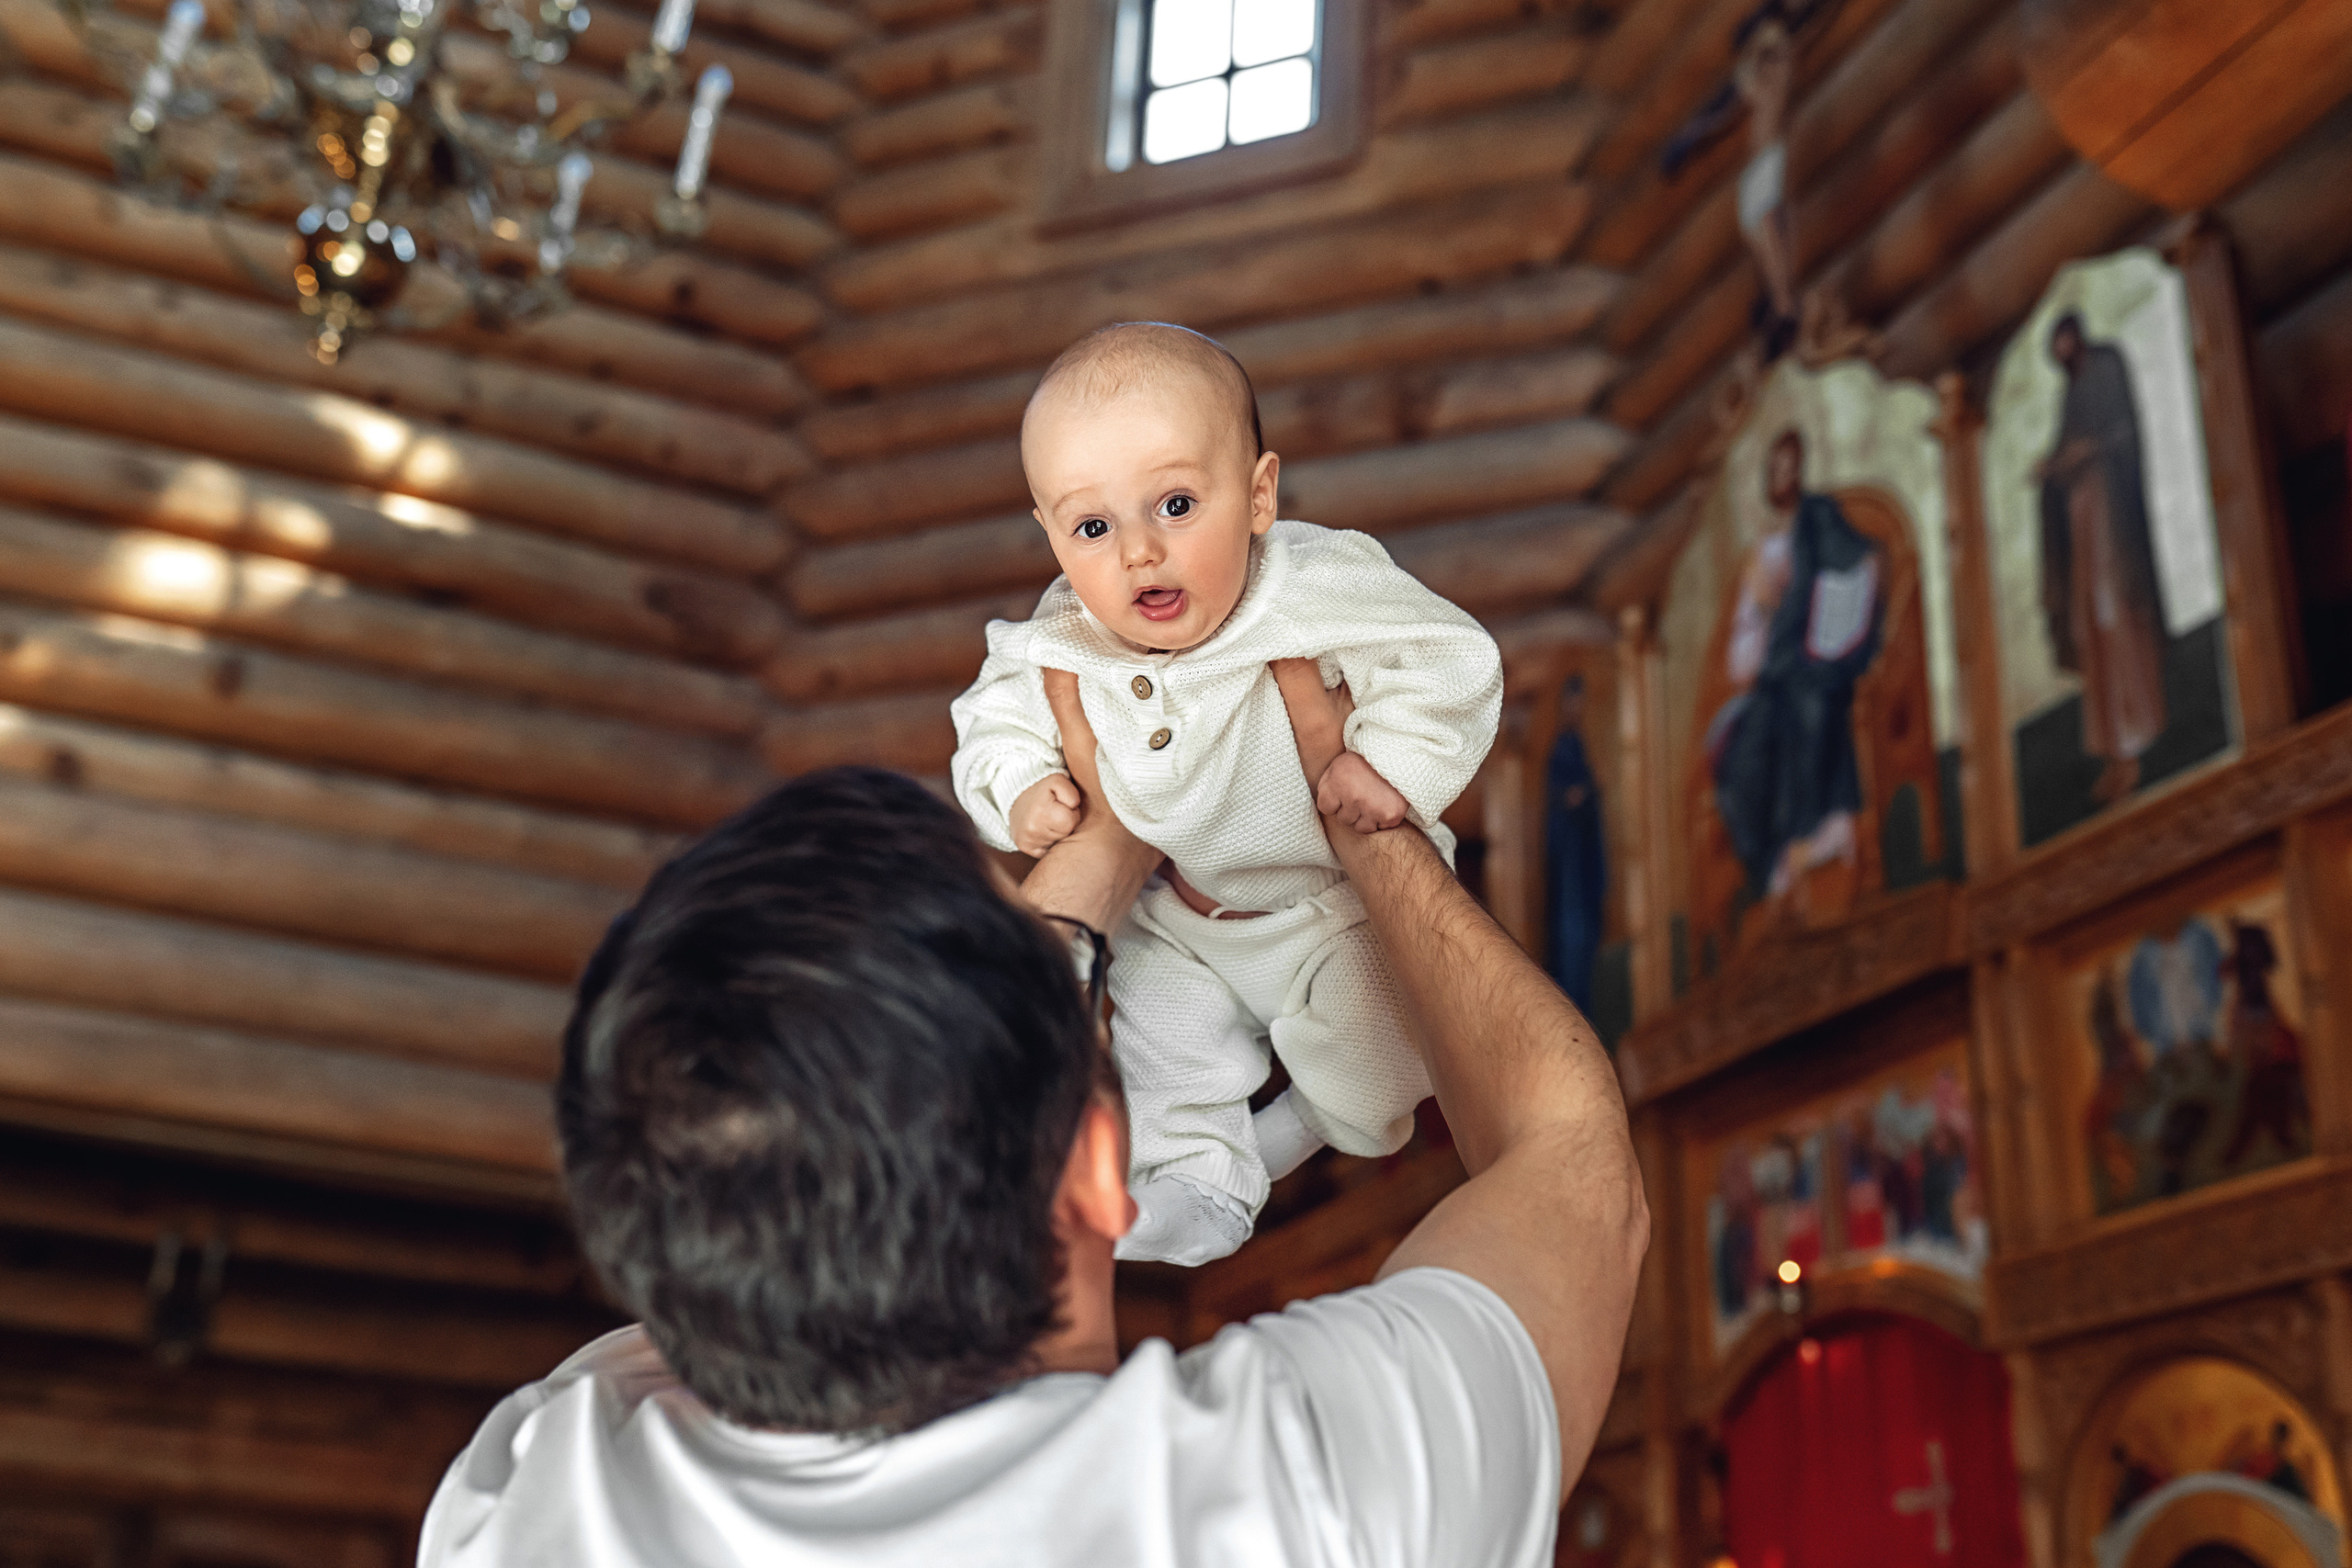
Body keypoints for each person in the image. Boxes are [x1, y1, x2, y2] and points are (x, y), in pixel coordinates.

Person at [417, 663, 1648, 1568]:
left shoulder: (532, 1497)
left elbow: (762, 1164)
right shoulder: (1283, 1499)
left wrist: (1117, 824)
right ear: (1102, 1163)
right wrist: (1351, 801)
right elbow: (1569, 1153)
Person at [951, 322, 1503, 1266]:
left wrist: (1390, 766)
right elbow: (991, 720)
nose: (1136, 553)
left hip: (1329, 904)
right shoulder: (1059, 636)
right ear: (1049, 533)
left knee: (1379, 1064)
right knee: (1163, 1055)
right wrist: (1020, 788)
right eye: (1091, 526)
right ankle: (1202, 1188)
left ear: (1257, 496)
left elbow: (1450, 658)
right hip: (1181, 916)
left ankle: (1307, 1128)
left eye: (1173, 504)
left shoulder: (1312, 583)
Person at [1702, 427, 1882, 908]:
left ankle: (1817, 832)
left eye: (1790, 467)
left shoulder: (1820, 520)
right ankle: (1771, 865)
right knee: (1741, 760)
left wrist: (1819, 627)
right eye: (1773, 469)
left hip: (1818, 667)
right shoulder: (1760, 555)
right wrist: (1764, 610)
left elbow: (1857, 568)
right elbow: (1741, 658)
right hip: (1773, 677)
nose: (1782, 478)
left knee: (1809, 711)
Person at [2036, 311, 2168, 807]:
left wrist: (2084, 455)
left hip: (2112, 526)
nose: (2061, 351)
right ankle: (2116, 751)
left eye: (2063, 340)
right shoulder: (2070, 391)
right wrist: (2054, 468)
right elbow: (2067, 446)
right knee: (2092, 625)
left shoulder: (2108, 366)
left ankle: (2139, 737)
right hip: (2083, 522)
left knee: (2118, 619)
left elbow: (2119, 433)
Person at [1544, 676, 1607, 1013]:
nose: (1579, 708)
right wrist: (1586, 791)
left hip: (1582, 860)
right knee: (1572, 937)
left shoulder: (1579, 744)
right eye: (1574, 701)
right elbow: (1562, 798)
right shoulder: (1563, 747)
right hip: (1569, 863)